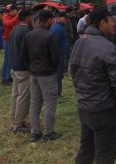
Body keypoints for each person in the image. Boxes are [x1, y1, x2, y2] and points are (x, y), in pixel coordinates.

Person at [70, 7, 116, 163]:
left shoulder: (79, 42)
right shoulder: (108, 47)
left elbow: (74, 72)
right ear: (102, 23)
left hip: (85, 105)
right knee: (105, 154)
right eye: (112, 22)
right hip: (105, 109)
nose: (114, 26)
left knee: (86, 149)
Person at [21, 10, 61, 142]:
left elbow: (24, 56)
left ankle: (35, 132)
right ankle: (48, 133)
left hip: (34, 73)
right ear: (48, 20)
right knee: (50, 103)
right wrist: (52, 68)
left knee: (35, 102)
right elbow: (56, 58)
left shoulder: (29, 35)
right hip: (47, 74)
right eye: (52, 19)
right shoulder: (49, 36)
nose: (53, 21)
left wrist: (31, 67)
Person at [8, 9, 33, 133]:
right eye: (31, 16)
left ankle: (14, 120)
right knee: (23, 96)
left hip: (14, 65)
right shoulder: (25, 31)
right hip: (23, 68)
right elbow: (26, 51)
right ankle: (18, 124)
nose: (32, 18)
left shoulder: (15, 29)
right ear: (27, 18)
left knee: (15, 95)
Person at [50, 12, 70, 97]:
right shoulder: (58, 28)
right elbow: (55, 43)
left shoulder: (58, 27)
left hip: (61, 54)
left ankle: (57, 91)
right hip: (59, 55)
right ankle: (57, 92)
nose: (66, 20)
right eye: (65, 18)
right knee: (58, 74)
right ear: (60, 18)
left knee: (59, 74)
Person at [2, 4, 20, 86]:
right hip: (7, 40)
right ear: (11, 10)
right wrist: (17, 17)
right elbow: (8, 24)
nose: (17, 12)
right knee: (7, 60)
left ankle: (9, 76)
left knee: (11, 59)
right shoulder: (5, 16)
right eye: (16, 10)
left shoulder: (16, 17)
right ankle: (4, 78)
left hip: (14, 40)